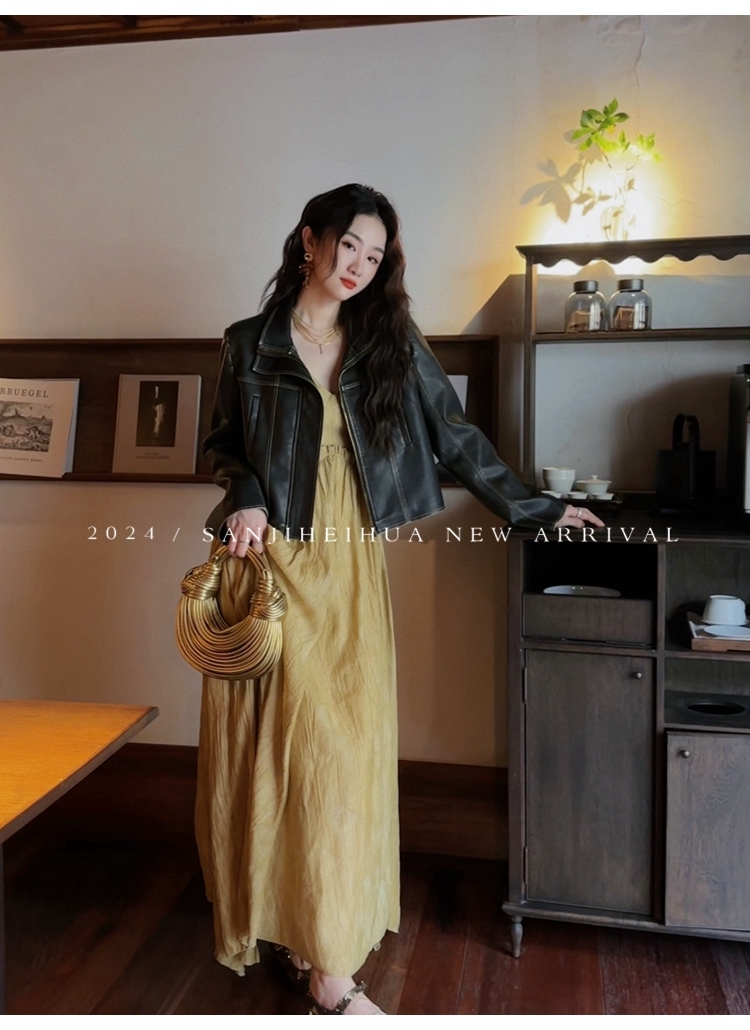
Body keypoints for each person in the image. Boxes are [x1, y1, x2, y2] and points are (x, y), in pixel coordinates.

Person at [197, 183, 603, 1015]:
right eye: (348, 244)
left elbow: (455, 435)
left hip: (348, 562)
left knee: (339, 755)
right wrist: (245, 494)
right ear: (310, 240)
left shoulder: (388, 339)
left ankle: (327, 958)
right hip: (269, 560)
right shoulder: (247, 344)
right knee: (277, 753)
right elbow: (223, 445)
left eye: (374, 254)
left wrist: (534, 507)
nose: (358, 265)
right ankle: (304, 941)